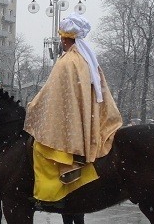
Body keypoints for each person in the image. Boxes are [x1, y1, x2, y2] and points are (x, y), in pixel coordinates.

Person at [24, 13, 123, 203]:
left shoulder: (67, 62)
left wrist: (33, 106)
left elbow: (51, 94)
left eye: (61, 37)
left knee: (40, 147)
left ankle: (49, 194)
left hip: (71, 120)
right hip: (90, 117)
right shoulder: (87, 60)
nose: (61, 41)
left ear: (66, 38)